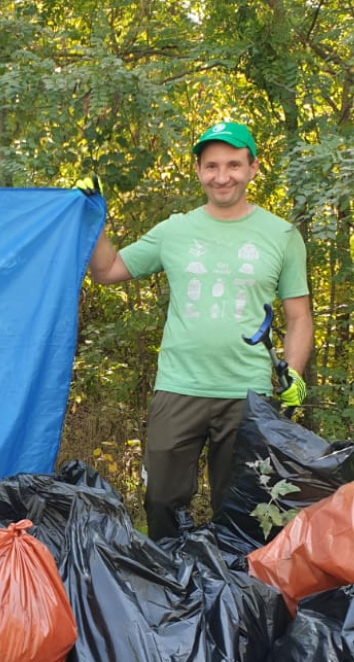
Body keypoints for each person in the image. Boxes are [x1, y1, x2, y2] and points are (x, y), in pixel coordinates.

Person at [81, 121, 314, 541]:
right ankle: (170, 587)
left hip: (248, 393)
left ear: (253, 168)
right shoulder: (175, 230)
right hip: (179, 387)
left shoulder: (281, 235)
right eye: (211, 166)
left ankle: (237, 595)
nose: (222, 176)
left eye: (233, 165)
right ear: (198, 170)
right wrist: (95, 217)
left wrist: (292, 372)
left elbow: (298, 316)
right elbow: (107, 270)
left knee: (242, 506)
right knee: (162, 500)